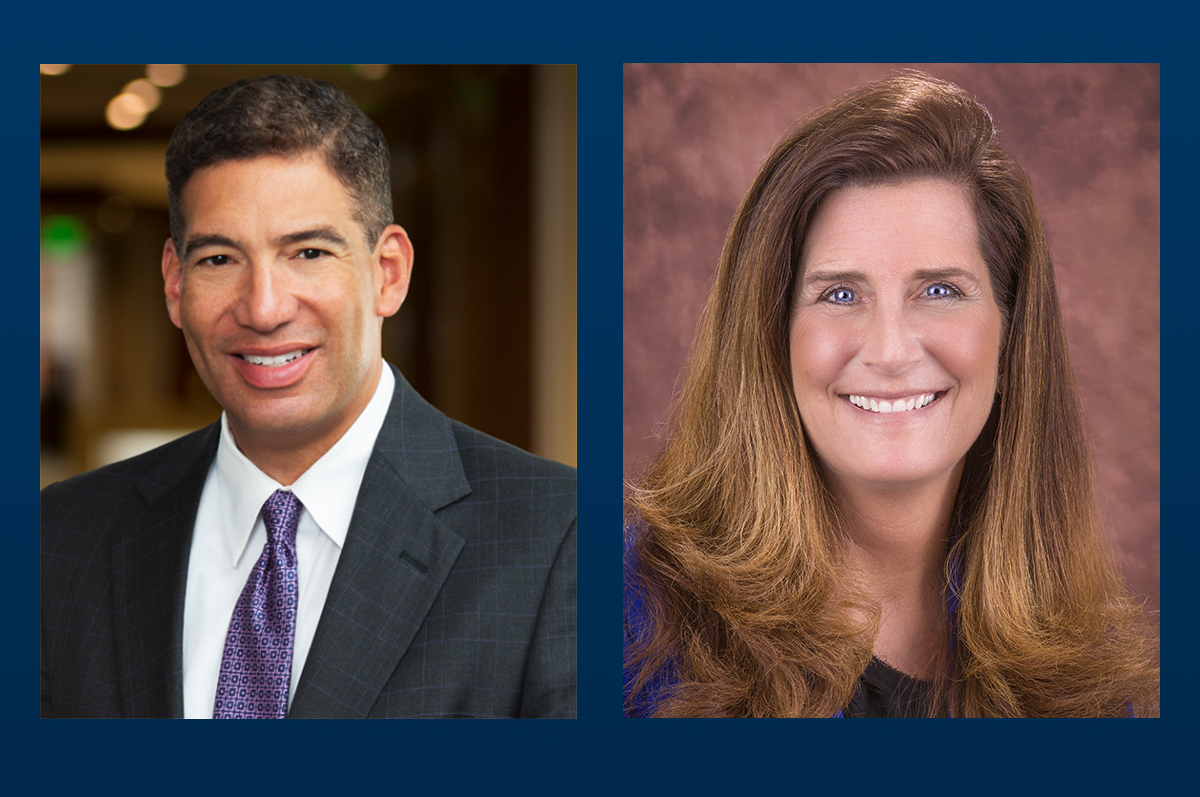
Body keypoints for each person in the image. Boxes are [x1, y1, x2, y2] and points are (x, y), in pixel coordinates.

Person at [41, 74, 577, 719]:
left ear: (388, 273)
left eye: (309, 252)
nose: (264, 308)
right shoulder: (59, 538)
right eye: (219, 260)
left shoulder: (556, 537)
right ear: (175, 284)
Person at [623, 72, 1158, 718]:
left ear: (1012, 334)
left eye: (939, 291)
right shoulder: (628, 619)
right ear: (772, 336)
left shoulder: (1087, 683)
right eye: (840, 294)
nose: (891, 350)